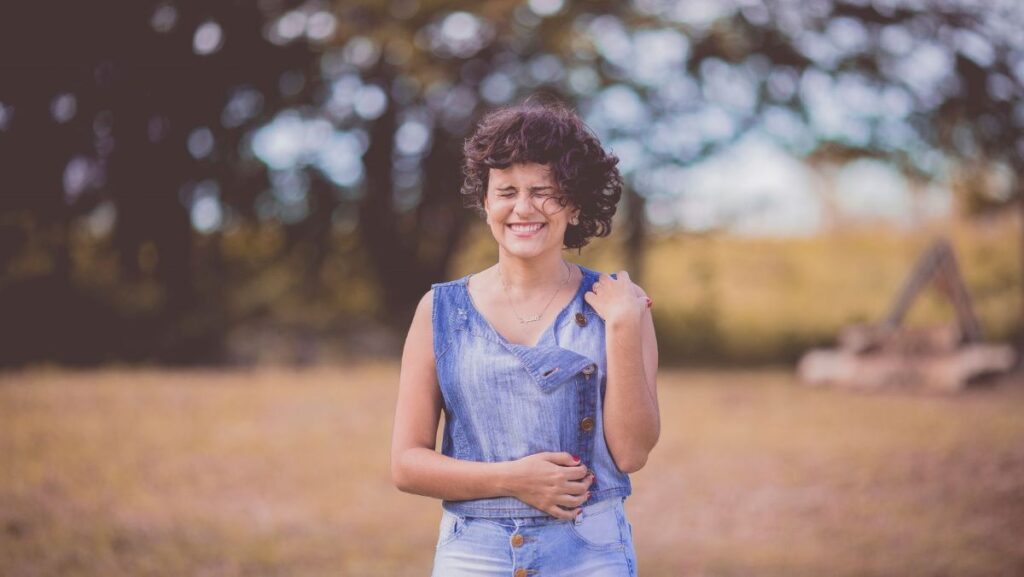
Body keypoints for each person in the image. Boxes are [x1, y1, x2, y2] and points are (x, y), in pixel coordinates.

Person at [390, 96, 659, 577]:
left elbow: (632, 453)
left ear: (573, 205)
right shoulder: (440, 310)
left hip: (590, 552)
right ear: (486, 202)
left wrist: (622, 326)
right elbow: (407, 464)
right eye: (506, 191)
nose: (523, 208)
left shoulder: (620, 306)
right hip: (472, 554)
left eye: (544, 191)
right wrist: (514, 479)